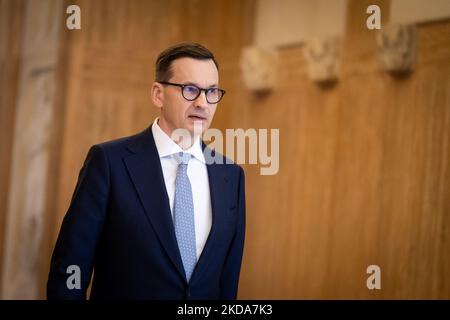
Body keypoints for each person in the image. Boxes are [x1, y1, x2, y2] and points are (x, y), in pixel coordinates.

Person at [47, 42, 246, 299]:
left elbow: (228, 281)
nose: (202, 103)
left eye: (211, 92)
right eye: (190, 89)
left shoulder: (230, 175)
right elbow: (70, 269)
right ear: (157, 94)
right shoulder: (109, 162)